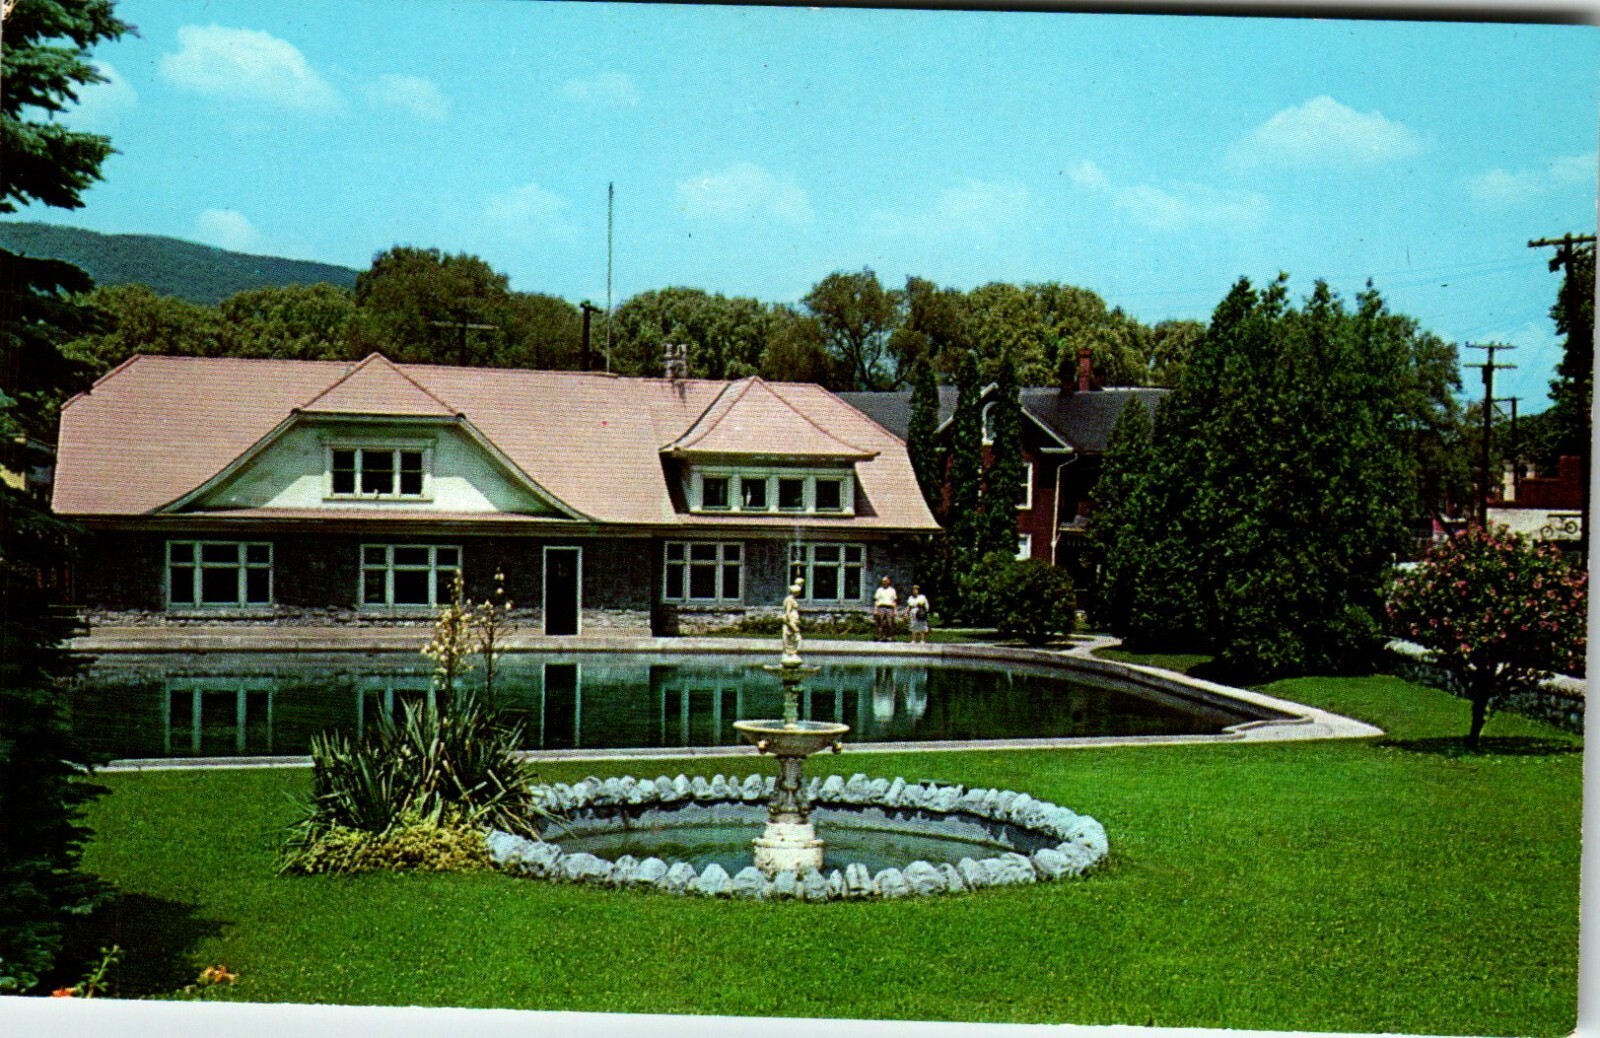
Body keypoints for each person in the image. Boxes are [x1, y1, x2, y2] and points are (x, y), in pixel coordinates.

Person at [872, 576, 898, 641]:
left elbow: (894, 601)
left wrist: (895, 611)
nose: (884, 582)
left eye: (885, 581)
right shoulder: (879, 590)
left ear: (889, 581)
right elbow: (876, 600)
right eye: (883, 581)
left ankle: (889, 637)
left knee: (890, 623)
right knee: (879, 623)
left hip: (889, 608)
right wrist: (875, 610)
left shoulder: (892, 590)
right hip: (881, 607)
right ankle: (879, 637)